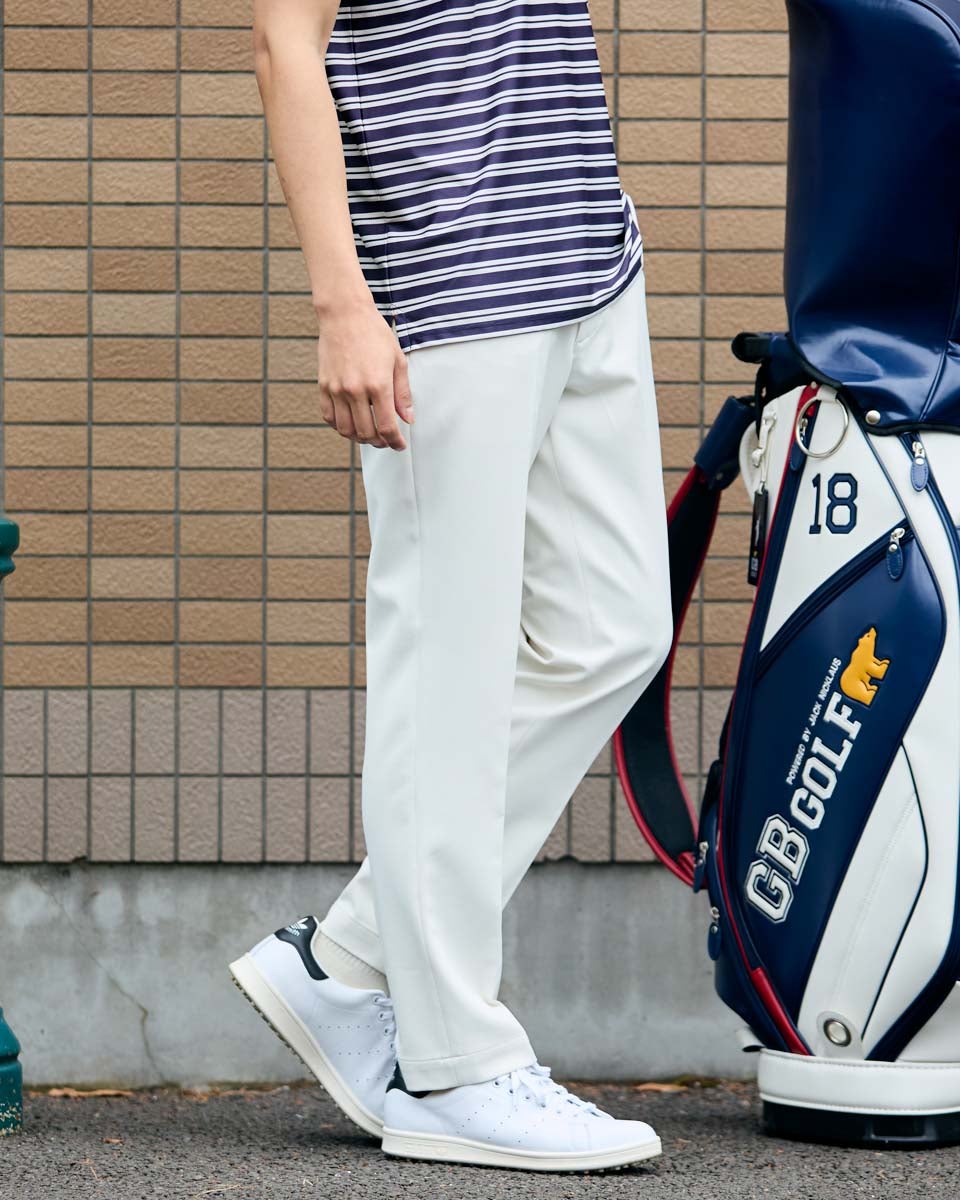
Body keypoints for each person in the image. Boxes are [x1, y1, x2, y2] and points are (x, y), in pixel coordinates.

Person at [229, 0, 673, 1172]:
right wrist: (342, 305)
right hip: (448, 280)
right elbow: (284, 45)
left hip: (587, 254)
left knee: (616, 629)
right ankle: (451, 1066)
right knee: (452, 671)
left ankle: (350, 955)